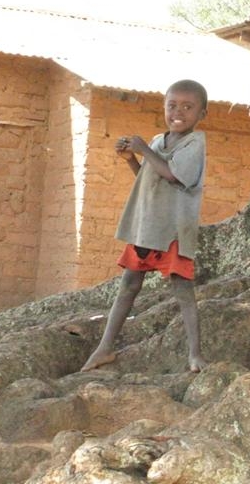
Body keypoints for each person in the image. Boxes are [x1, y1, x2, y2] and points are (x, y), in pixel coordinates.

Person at [81, 79, 209, 373]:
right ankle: (104, 348)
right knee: (128, 285)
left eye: (188, 107)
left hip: (173, 230)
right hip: (148, 227)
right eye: (172, 106)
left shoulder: (195, 144)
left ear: (202, 114)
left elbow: (173, 175)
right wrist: (131, 158)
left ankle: (195, 354)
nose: (178, 112)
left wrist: (144, 150)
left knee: (183, 289)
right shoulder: (157, 141)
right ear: (164, 107)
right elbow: (147, 177)